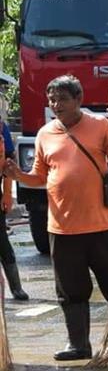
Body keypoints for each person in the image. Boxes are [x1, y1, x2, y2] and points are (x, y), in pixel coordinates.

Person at [4, 75, 108, 360]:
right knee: (70, 291)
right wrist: (19, 176)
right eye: (51, 99)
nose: (55, 105)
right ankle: (78, 345)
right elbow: (39, 177)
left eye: (61, 99)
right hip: (62, 228)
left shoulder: (100, 125)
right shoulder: (45, 134)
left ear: (78, 100)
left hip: (102, 225)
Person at [0, 113, 28, 300]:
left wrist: (8, 194)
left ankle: (15, 287)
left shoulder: (2, 128)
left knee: (2, 241)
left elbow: (9, 163)